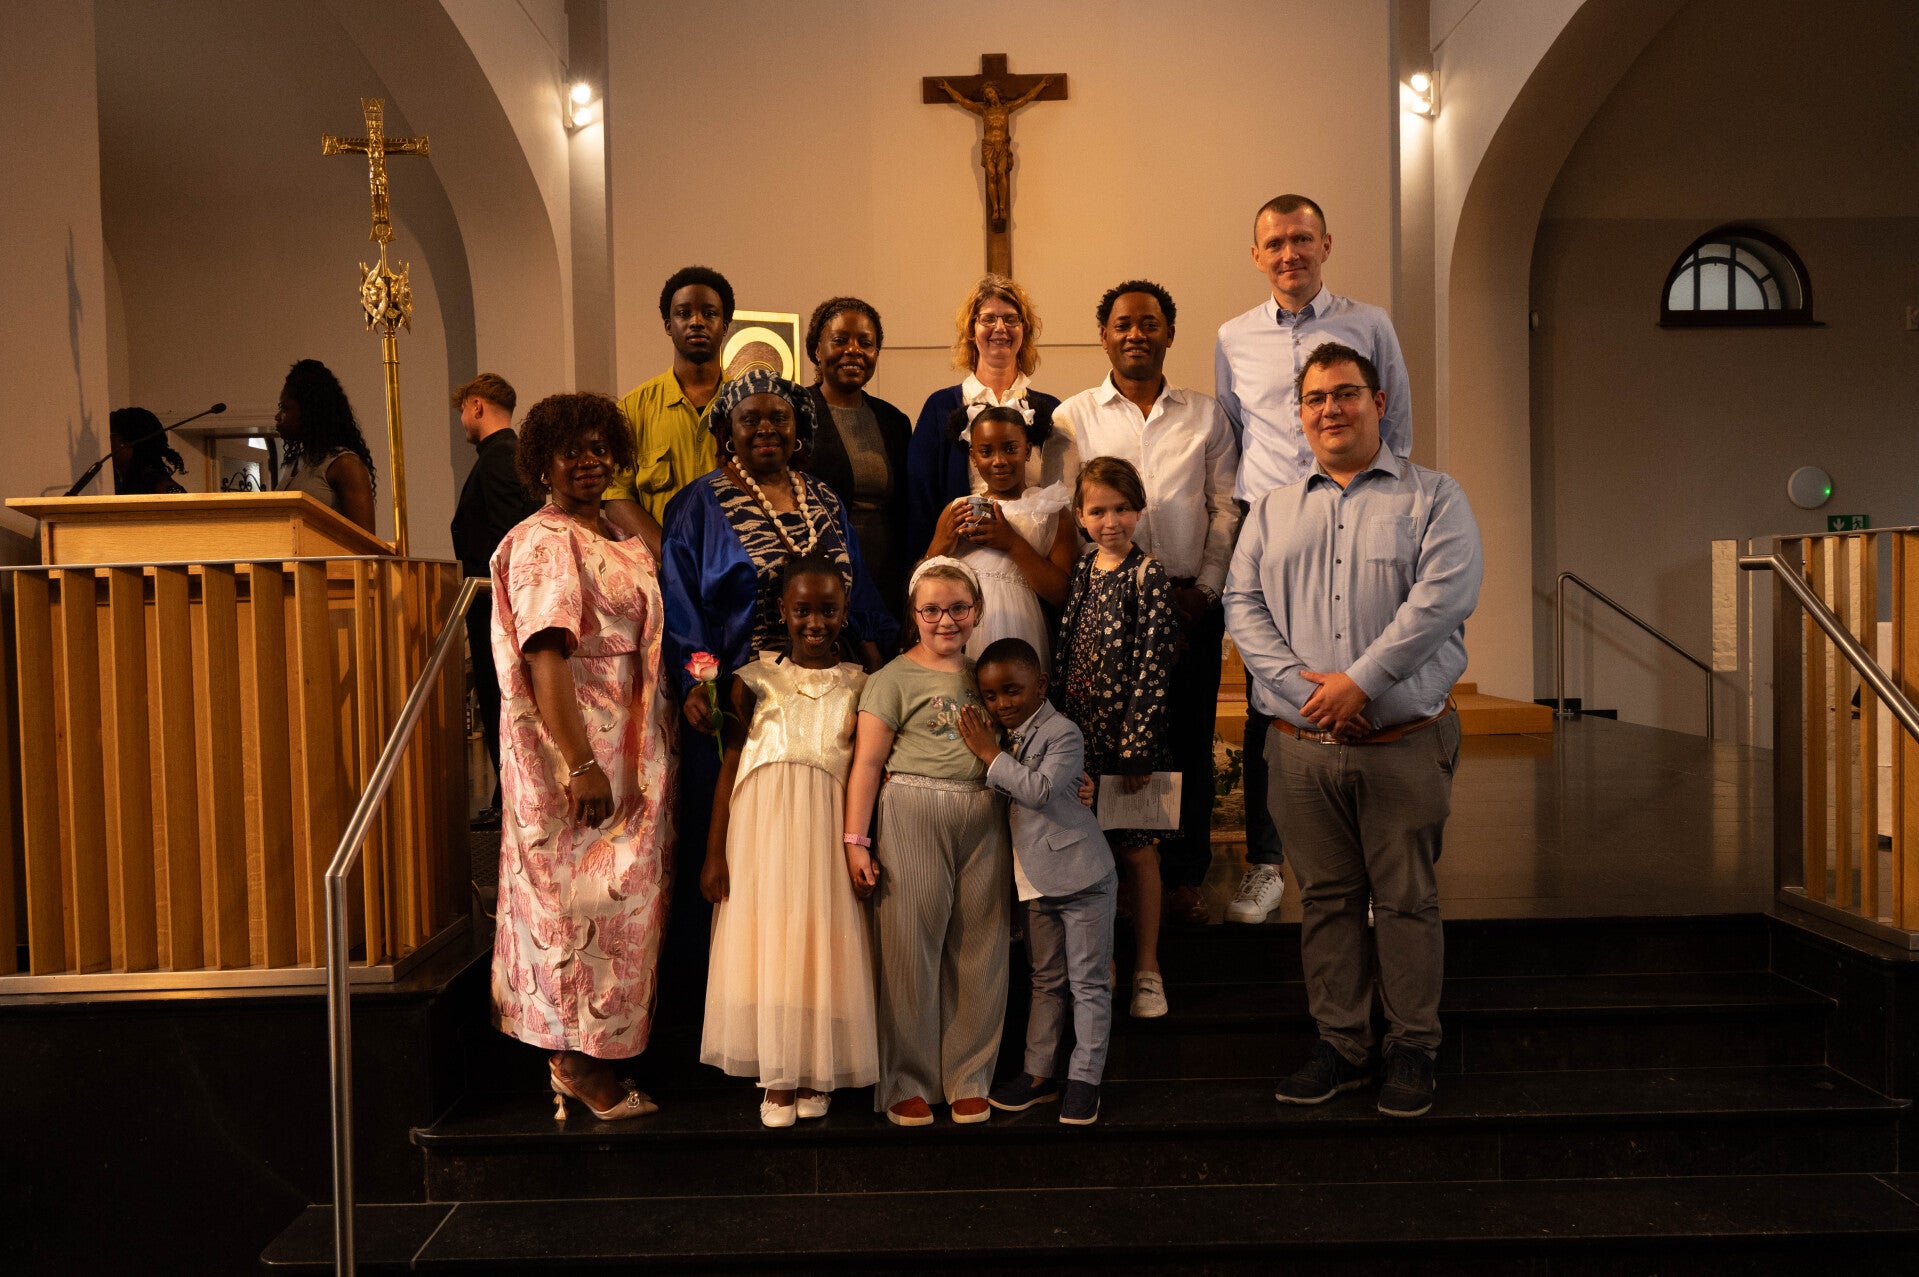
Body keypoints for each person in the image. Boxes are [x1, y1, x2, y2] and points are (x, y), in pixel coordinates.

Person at [1223, 342, 1481, 1119]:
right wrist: (1312, 695)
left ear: (1377, 402)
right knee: (1327, 900)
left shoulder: (1433, 496)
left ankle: (1412, 1046)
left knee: (1405, 899)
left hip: (1401, 742)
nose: (1329, 408)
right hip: (1301, 746)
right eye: (1314, 398)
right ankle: (1341, 1044)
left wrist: (1358, 682)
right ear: (1299, 415)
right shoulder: (1271, 509)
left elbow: (1440, 600)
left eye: (1345, 393)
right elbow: (1242, 606)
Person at [660, 370, 897, 1010]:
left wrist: (886, 674)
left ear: (799, 429)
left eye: (779, 418)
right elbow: (680, 601)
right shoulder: (697, 504)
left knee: (818, 847)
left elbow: (858, 593)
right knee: (739, 847)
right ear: (727, 430)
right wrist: (695, 681)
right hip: (742, 703)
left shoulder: (824, 499)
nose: (766, 429)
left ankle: (816, 998)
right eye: (751, 419)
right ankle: (743, 1004)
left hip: (827, 695)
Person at [1213, 195, 1415, 925]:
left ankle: (1371, 862)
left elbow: (1396, 423)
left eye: (1301, 239)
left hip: (1360, 509)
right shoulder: (1233, 337)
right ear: (1256, 255)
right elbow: (1233, 434)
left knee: (1360, 667)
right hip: (1274, 525)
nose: (1288, 253)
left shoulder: (1370, 324)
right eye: (1274, 243)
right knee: (1267, 691)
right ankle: (1266, 864)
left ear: (1326, 243)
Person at [488, 391, 676, 1121]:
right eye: (572, 451)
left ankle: (595, 1055)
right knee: (578, 908)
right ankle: (573, 1063)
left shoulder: (613, 533)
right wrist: (578, 763)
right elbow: (544, 656)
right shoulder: (544, 539)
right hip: (577, 746)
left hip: (627, 741)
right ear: (542, 463)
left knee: (620, 909)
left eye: (600, 447)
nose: (589, 461)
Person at [1054, 280, 1239, 926]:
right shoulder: (1073, 416)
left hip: (1189, 600)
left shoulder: (1205, 415)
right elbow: (1065, 512)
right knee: (1109, 742)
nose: (1136, 333)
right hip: (1107, 603)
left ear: (1169, 333)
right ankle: (1118, 873)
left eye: (1149, 323)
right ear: (1104, 335)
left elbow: (1225, 507)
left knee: (1184, 736)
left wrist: (1204, 589)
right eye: (1123, 324)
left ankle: (1183, 874)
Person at [700, 553, 877, 1128]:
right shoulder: (754, 679)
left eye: (828, 610)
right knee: (771, 938)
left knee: (817, 940)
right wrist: (714, 853)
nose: (815, 623)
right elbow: (731, 764)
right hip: (763, 831)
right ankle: (777, 1074)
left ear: (845, 612)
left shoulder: (862, 685)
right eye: (803, 610)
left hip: (826, 829)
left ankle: (813, 1068)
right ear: (783, 610)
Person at [843, 558, 1008, 1127]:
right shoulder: (891, 679)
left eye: (958, 608)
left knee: (981, 945)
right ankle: (906, 1081)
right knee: (910, 945)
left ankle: (970, 1076)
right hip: (914, 810)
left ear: (977, 611)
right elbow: (867, 764)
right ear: (914, 614)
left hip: (983, 812)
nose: (946, 620)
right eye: (932, 610)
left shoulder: (986, 675)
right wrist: (856, 841)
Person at [961, 637, 1117, 1127]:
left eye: (1012, 690)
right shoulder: (1001, 734)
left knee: (1088, 983)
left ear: (1041, 685)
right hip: (1033, 881)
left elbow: (1042, 790)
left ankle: (1085, 1079)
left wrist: (989, 754)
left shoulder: (1062, 731)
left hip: (1083, 877)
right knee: (1046, 981)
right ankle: (1038, 1075)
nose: (1001, 703)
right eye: (990, 695)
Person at [1055, 457, 1179, 1019]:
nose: (1110, 522)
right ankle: (1100, 960)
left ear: (1139, 510)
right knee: (1092, 853)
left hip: (1132, 746)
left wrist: (1137, 747)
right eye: (1098, 511)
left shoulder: (1148, 575)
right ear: (1080, 516)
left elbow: (1154, 666)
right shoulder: (1083, 569)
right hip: (1083, 740)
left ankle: (1147, 969)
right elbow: (1065, 652)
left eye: (1122, 509)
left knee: (1138, 851)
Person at [904, 275, 1071, 556]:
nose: (1000, 328)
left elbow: (1063, 491)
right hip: (962, 559)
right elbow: (919, 497)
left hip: (1033, 557)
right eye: (988, 319)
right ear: (972, 329)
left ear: (1025, 329)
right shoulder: (941, 406)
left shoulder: (1050, 409)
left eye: (1011, 319)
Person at [449, 372, 538, 829]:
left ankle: (511, 802)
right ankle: (507, 796)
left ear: (477, 406)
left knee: (500, 698)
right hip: (498, 603)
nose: (462, 420)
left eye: (463, 410)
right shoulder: (508, 455)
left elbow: (512, 537)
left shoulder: (499, 458)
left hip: (497, 606)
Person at [923, 404, 1076, 668]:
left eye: (1010, 449)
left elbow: (1063, 595)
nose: (999, 461)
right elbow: (924, 585)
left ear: (1027, 450)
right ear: (973, 456)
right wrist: (941, 545)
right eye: (986, 452)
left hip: (1022, 626)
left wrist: (1013, 543)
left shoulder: (1051, 510)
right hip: (963, 627)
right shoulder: (958, 510)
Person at [603, 265, 736, 550]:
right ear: (668, 325)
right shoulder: (633, 409)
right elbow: (616, 497)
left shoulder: (746, 406)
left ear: (725, 326)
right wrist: (671, 555)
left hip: (736, 566)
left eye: (709, 313)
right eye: (684, 313)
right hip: (660, 568)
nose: (697, 322)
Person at [801, 296, 914, 617]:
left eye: (865, 343)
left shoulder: (894, 421)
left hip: (886, 579)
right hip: (821, 580)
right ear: (817, 350)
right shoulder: (796, 414)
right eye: (840, 340)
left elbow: (904, 509)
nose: (853, 350)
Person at [273, 359, 377, 532]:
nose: (277, 416)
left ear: (309, 411)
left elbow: (365, 540)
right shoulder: (295, 463)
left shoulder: (345, 464)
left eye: (285, 408)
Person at [109, 406, 187, 495]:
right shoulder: (120, 482)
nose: (107, 443)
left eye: (110, 436)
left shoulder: (160, 487)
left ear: (127, 443)